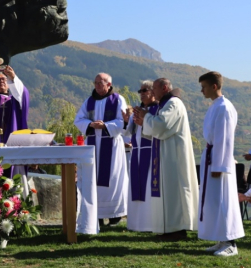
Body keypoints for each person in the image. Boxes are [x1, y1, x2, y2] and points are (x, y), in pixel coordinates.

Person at [134, 78, 198, 240]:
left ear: (164, 88)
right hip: (164, 155)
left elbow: (162, 126)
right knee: (166, 192)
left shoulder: (173, 104)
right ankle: (168, 228)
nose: (152, 92)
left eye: (154, 88)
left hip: (174, 157)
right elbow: (155, 128)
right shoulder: (165, 104)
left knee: (174, 192)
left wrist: (146, 116)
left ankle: (177, 229)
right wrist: (143, 122)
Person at [197, 71, 244, 256]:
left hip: (219, 161)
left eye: (204, 87)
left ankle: (230, 242)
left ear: (214, 86)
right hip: (211, 157)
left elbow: (224, 139)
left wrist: (219, 166)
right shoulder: (215, 106)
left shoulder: (224, 107)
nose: (202, 91)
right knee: (214, 201)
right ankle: (220, 239)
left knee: (224, 200)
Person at [74, 73, 128, 226]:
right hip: (92, 145)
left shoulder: (117, 99)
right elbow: (78, 119)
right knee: (93, 179)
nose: (97, 85)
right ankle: (96, 215)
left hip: (110, 145)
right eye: (95, 82)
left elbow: (122, 121)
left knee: (112, 178)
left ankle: (114, 215)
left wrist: (105, 125)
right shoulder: (89, 101)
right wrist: (90, 125)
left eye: (101, 83)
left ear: (109, 84)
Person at [124, 81, 157, 232]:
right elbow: (127, 133)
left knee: (149, 187)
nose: (142, 93)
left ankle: (149, 223)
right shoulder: (137, 110)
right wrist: (127, 121)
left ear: (153, 92)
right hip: (136, 151)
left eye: (145, 90)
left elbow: (158, 130)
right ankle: (135, 223)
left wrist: (144, 123)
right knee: (136, 187)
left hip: (151, 152)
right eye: (140, 91)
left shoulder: (157, 110)